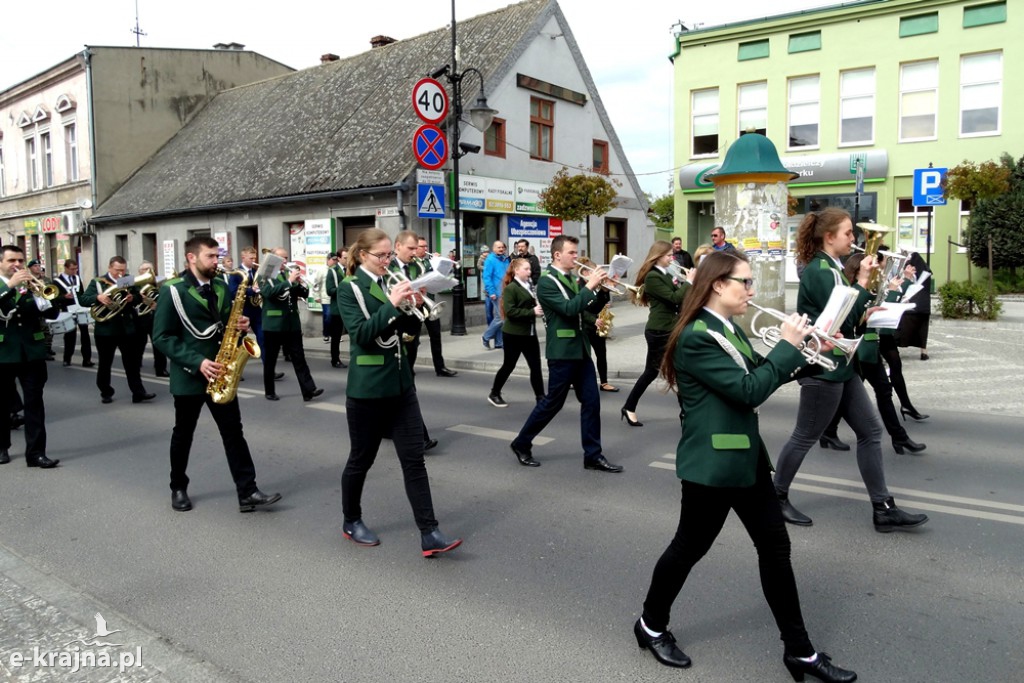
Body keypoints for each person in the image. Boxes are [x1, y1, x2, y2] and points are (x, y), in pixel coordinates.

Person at [634, 250, 856, 683]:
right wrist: (790, 345)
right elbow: (750, 390)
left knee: (775, 549)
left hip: (747, 458)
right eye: (745, 282)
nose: (752, 291)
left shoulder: (727, 327)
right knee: (688, 548)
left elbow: (761, 370)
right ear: (718, 284)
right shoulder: (699, 336)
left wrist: (811, 351)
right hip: (713, 466)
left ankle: (800, 653)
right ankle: (650, 624)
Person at [771, 208, 928, 532]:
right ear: (829, 237)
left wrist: (870, 303)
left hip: (842, 365)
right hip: (823, 368)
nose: (853, 240)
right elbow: (843, 316)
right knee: (804, 436)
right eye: (847, 234)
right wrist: (862, 282)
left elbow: (853, 315)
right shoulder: (821, 271)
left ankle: (882, 508)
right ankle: (776, 496)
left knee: (871, 432)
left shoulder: (832, 267)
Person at [336, 228, 461, 557]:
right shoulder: (350, 288)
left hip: (400, 384)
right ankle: (351, 520)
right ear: (363, 256)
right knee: (360, 461)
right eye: (382, 255)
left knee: (414, 460)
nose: (387, 261)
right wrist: (393, 304)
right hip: (368, 390)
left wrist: (413, 305)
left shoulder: (387, 282)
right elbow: (362, 335)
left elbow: (403, 334)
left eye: (390, 254)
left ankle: (430, 532)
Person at [152, 236, 281, 513]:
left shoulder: (221, 286)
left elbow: (225, 324)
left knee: (234, 433)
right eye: (210, 256)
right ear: (191, 258)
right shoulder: (172, 290)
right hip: (191, 374)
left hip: (222, 372)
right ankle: (178, 487)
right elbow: (161, 337)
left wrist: (241, 325)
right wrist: (197, 362)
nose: (216, 261)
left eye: (217, 256)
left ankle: (247, 491)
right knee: (183, 433)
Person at [510, 235, 623, 472]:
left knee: (592, 402)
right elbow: (569, 310)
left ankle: (593, 455)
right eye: (572, 252)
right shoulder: (547, 282)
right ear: (557, 255)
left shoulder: (570, 278)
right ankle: (521, 442)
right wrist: (591, 285)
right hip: (562, 352)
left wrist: (596, 317)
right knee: (553, 403)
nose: (576, 256)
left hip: (581, 350)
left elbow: (582, 312)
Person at [819, 254, 926, 456]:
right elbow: (864, 320)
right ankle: (828, 431)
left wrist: (894, 295)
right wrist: (892, 296)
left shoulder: (868, 290)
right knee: (847, 396)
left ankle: (899, 438)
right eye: (869, 269)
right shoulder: (853, 293)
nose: (874, 272)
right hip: (859, 351)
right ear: (857, 271)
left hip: (869, 351)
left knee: (883, 392)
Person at [0, 245, 61, 468]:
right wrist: (10, 285)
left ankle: (36, 453)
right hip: (3, 352)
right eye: (11, 261)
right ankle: (2, 446)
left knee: (35, 404)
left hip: (32, 353)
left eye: (20, 260)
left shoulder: (31, 285)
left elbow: (53, 313)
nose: (17, 265)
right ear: (1, 263)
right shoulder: (5, 285)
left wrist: (45, 297)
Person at [621, 241, 691, 426]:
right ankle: (686, 415)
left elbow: (680, 298)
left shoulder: (665, 274)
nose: (672, 258)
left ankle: (629, 406)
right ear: (658, 256)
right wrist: (689, 281)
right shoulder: (653, 277)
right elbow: (674, 298)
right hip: (660, 330)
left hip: (668, 328)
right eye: (668, 255)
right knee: (674, 371)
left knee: (655, 372)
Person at [80, 256, 156, 405]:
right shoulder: (99, 282)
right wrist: (98, 297)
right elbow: (83, 299)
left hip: (126, 329)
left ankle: (138, 393)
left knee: (132, 363)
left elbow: (139, 297)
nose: (120, 274)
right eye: (117, 270)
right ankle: (105, 391)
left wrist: (132, 298)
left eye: (123, 270)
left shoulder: (127, 280)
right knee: (105, 363)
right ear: (109, 268)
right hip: (106, 330)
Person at [260, 248, 321, 402]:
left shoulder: (287, 274)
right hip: (273, 324)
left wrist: (301, 284)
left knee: (299, 358)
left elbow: (303, 295)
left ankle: (309, 390)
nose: (286, 261)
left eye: (286, 258)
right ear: (274, 259)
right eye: (282, 258)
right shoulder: (264, 275)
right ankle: (269, 391)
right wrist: (289, 282)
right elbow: (269, 293)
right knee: (271, 360)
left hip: (292, 323)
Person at [488, 258, 545, 407]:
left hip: (529, 332)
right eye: (526, 269)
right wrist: (532, 311)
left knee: (535, 366)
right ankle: (494, 393)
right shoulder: (511, 288)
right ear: (516, 271)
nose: (529, 272)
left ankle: (540, 397)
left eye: (530, 269)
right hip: (514, 334)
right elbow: (510, 311)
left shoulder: (529, 285)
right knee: (509, 365)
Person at [416, 236, 457, 377]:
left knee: (436, 336)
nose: (425, 249)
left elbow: (441, 276)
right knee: (412, 338)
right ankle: (407, 368)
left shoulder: (429, 262)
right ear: (414, 248)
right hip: (415, 304)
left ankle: (440, 368)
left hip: (430, 302)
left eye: (426, 246)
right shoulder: (410, 263)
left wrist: (440, 262)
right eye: (422, 246)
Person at [576, 256, 614, 392]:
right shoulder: (579, 285)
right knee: (583, 355)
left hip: (597, 326)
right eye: (593, 272)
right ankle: (576, 380)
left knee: (601, 354)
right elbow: (579, 307)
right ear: (585, 273)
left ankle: (604, 382)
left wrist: (605, 291)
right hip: (585, 326)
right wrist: (593, 320)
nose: (596, 274)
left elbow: (597, 305)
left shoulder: (595, 286)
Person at [53, 259, 93, 367]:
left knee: (85, 334)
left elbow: (82, 293)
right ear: (65, 268)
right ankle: (67, 359)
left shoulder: (77, 278)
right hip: (68, 309)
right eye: (72, 269)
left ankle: (87, 359)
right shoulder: (57, 281)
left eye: (76, 269)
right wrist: (63, 297)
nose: (74, 271)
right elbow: (53, 298)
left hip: (80, 308)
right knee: (70, 335)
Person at [134, 261, 169, 377]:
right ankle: (136, 365)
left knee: (158, 344)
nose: (147, 271)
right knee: (139, 344)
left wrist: (157, 305)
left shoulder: (158, 283)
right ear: (139, 272)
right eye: (144, 269)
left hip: (155, 317)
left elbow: (165, 299)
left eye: (149, 269)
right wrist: (139, 298)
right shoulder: (135, 284)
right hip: (140, 318)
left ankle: (160, 369)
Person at [896, 250, 932, 361]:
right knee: (922, 331)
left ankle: (894, 348)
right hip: (923, 309)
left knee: (901, 330)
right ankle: (923, 352)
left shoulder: (913, 276)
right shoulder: (926, 274)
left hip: (912, 309)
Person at [26, 260, 56, 360]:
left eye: (39, 265)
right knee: (36, 331)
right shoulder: (27, 280)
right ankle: (38, 349)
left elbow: (51, 292)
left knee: (47, 330)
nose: (38, 268)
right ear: (30, 268)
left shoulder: (46, 280)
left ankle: (47, 350)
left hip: (45, 307)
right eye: (35, 266)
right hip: (34, 308)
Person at [323, 250, 348, 368]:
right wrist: (344, 287)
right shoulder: (333, 271)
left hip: (350, 308)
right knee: (336, 336)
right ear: (338, 258)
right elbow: (330, 290)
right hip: (337, 308)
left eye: (349, 258)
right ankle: (335, 359)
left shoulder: (351, 270)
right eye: (345, 258)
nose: (347, 260)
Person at [482, 240, 509, 327]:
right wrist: (491, 292)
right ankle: (488, 335)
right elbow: (487, 277)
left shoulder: (505, 259)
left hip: (505, 292)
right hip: (496, 293)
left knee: (501, 317)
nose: (501, 249)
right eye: (499, 247)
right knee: (501, 318)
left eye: (502, 247)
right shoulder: (490, 260)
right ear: (494, 249)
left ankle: (499, 339)